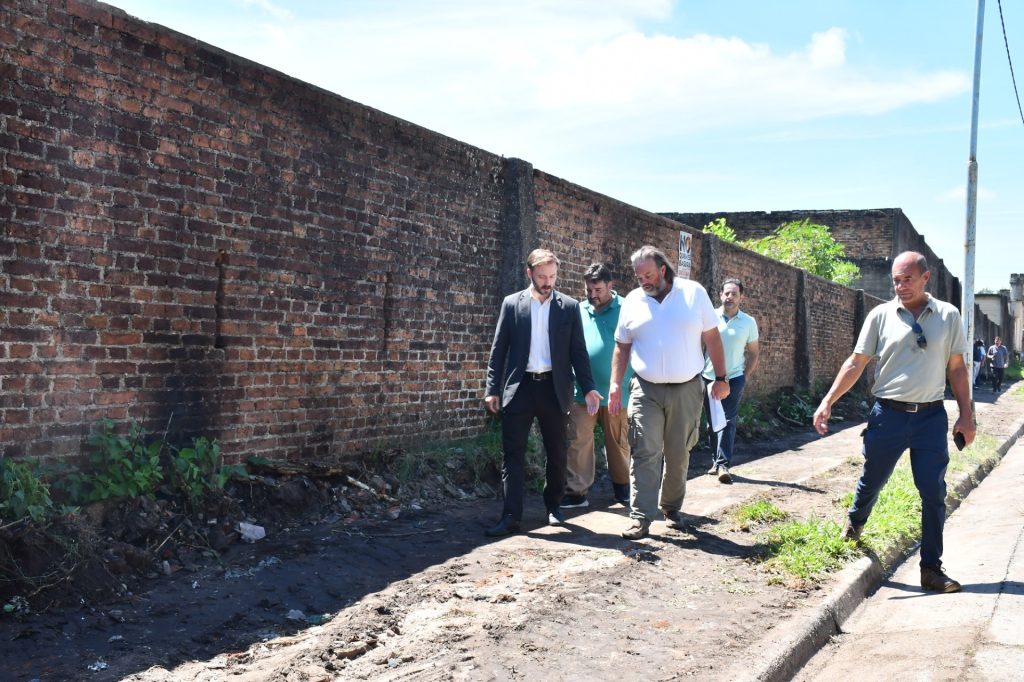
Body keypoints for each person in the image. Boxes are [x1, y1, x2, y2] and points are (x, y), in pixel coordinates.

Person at [812, 251, 975, 593]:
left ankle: (931, 569)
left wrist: (966, 414)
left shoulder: (948, 315)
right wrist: (828, 401)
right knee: (873, 478)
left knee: (933, 492)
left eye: (908, 279)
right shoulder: (880, 315)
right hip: (888, 415)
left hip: (931, 417)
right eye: (896, 281)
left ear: (926, 278)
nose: (900, 287)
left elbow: (957, 367)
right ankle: (855, 523)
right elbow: (856, 362)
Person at [609, 245, 729, 540]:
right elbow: (622, 345)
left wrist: (721, 378)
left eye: (648, 275)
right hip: (645, 388)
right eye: (639, 276)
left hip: (686, 387)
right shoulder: (633, 301)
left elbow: (712, 338)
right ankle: (640, 517)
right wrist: (615, 384)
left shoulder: (693, 293)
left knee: (678, 452)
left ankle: (671, 507)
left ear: (663, 269)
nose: (643, 281)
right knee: (644, 450)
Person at [484, 248, 602, 537]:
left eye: (552, 276)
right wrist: (492, 389)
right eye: (542, 276)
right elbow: (498, 351)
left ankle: (553, 507)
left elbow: (578, 352)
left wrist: (588, 388)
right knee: (513, 454)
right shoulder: (512, 304)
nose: (548, 282)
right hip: (520, 388)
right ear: (529, 274)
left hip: (554, 388)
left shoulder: (569, 307)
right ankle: (511, 516)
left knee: (557, 452)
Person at [562, 263, 633, 509]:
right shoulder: (579, 310)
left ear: (610, 286)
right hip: (582, 390)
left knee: (618, 440)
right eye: (589, 290)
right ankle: (576, 492)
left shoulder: (626, 308)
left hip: (617, 390)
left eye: (598, 290)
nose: (593, 295)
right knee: (578, 439)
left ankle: (623, 487)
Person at [702, 277, 760, 484]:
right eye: (726, 293)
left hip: (734, 378)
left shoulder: (749, 322)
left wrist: (744, 376)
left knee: (728, 420)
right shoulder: (710, 317)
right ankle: (715, 461)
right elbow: (700, 345)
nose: (730, 297)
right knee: (712, 421)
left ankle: (723, 464)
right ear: (720, 295)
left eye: (734, 294)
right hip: (709, 377)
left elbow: (754, 352)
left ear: (741, 297)